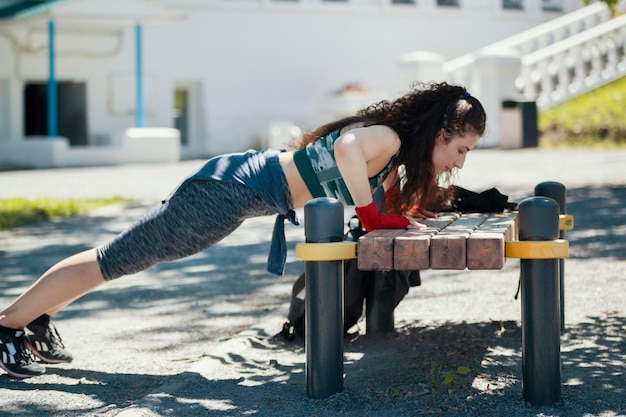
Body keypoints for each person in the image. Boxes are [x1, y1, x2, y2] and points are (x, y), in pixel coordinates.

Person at [0, 81, 486, 378]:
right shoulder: (387, 137)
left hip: (236, 192)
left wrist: (397, 209)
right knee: (116, 259)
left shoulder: (394, 150)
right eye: (461, 149)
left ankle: (35, 318)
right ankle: (7, 325)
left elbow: (364, 178)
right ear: (441, 134)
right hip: (227, 190)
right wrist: (372, 214)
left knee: (121, 260)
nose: (460, 162)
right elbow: (346, 151)